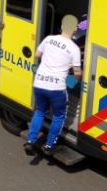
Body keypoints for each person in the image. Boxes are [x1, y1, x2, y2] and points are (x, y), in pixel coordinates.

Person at [25, 15, 82, 157]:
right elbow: (77, 72)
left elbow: (37, 55)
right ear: (75, 29)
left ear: (62, 26)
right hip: (56, 88)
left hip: (39, 83)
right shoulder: (74, 49)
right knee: (59, 116)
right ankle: (50, 145)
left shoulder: (49, 39)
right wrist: (79, 80)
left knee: (40, 111)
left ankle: (31, 141)